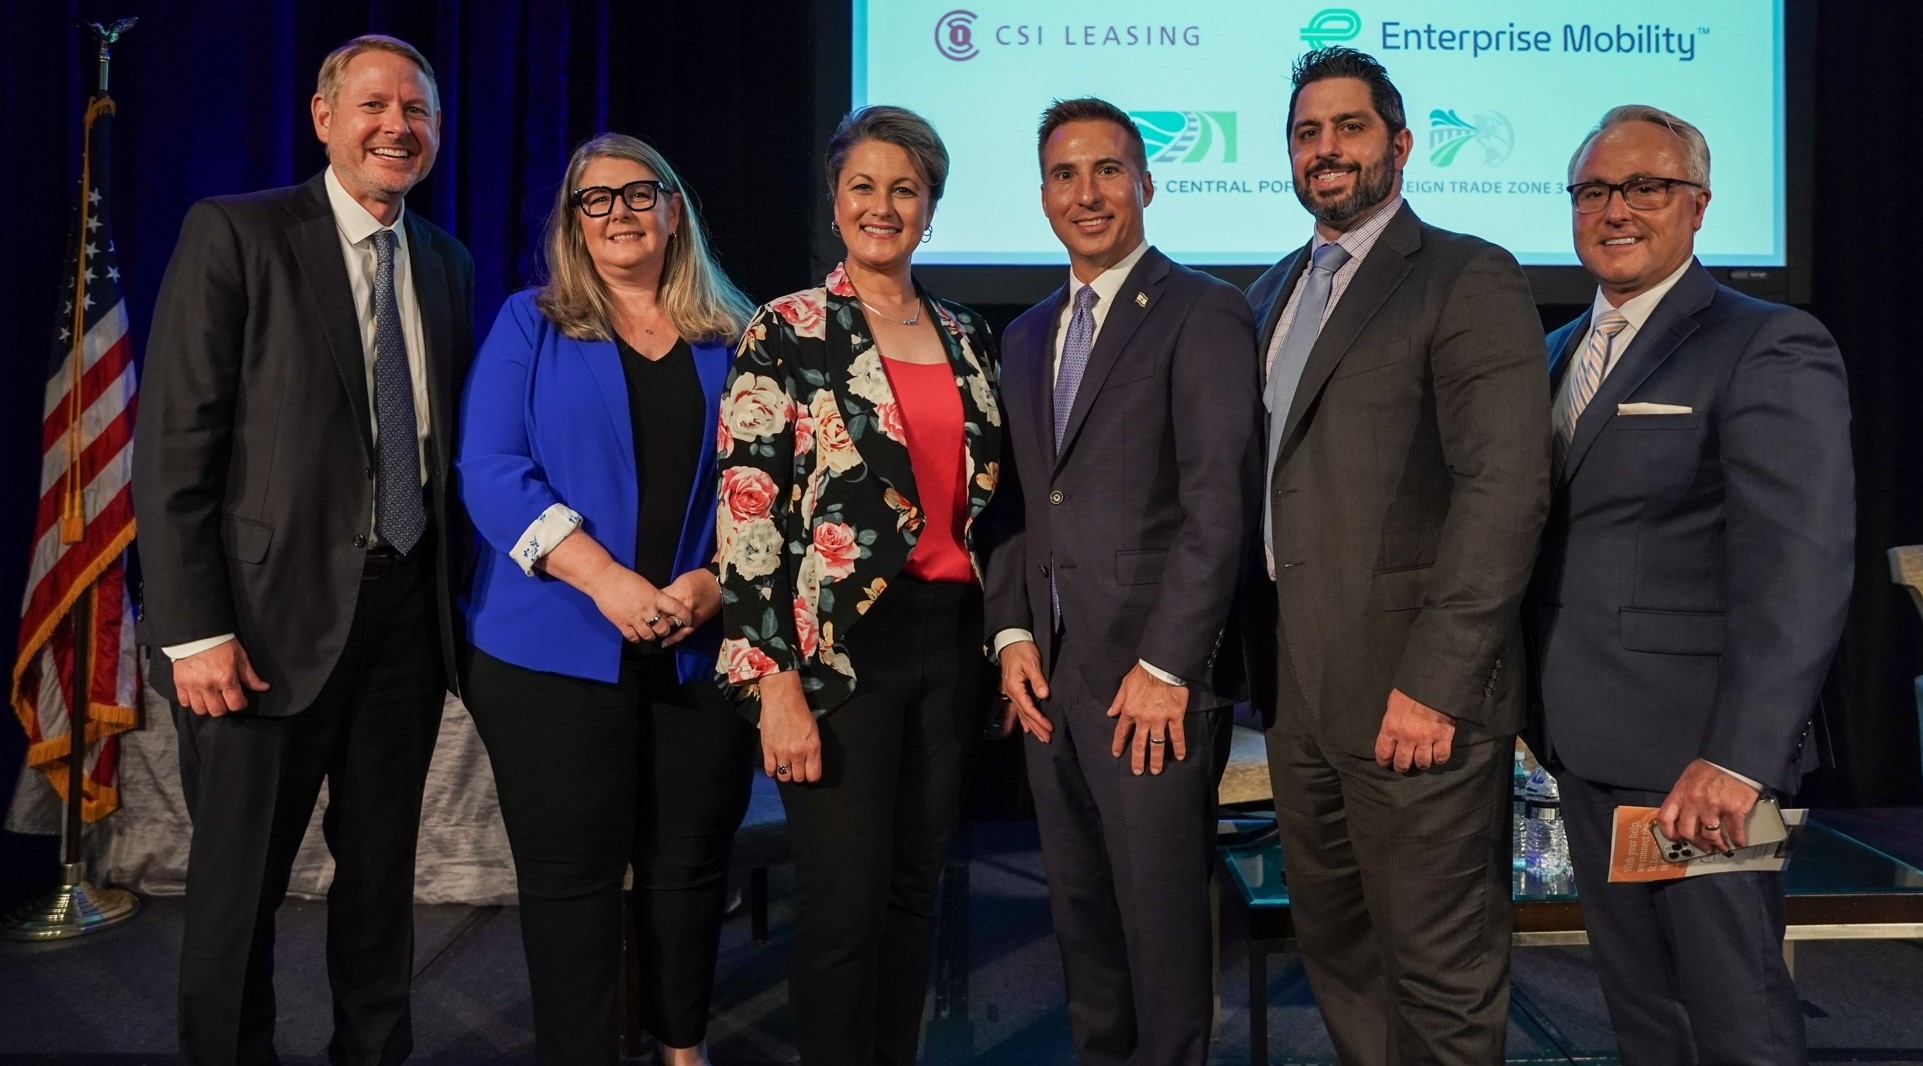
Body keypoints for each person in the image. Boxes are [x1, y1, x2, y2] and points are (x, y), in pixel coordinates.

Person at [131, 35, 474, 1065]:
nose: (396, 127)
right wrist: (195, 632)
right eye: (373, 105)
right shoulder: (238, 234)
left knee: (381, 890)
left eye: (416, 111)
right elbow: (175, 441)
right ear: (324, 118)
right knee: (238, 896)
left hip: (404, 624)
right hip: (257, 633)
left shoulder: (447, 263)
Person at [1241, 47, 1549, 1065]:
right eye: (1306, 132)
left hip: (1413, 699)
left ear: (1401, 144)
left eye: (1350, 127)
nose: (1326, 150)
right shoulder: (1269, 293)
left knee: (1441, 973)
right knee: (1339, 951)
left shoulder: (1467, 275)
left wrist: (1437, 682)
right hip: (1297, 696)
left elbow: (1503, 490)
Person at [1531, 105, 1853, 1066]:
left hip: (1699, 764)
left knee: (1732, 1009)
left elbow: (1799, 564)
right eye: (1594, 191)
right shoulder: (1552, 355)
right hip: (1581, 748)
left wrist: (1740, 756)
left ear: (1698, 206)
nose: (1616, 209)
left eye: (1645, 187)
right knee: (1645, 1014)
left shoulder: (1765, 342)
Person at [456, 133, 757, 1066]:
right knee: (571, 879)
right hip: (551, 648)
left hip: (698, 644)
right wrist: (609, 582)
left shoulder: (740, 333)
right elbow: (492, 471)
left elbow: (773, 485)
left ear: (675, 210)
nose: (620, 213)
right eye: (597, 200)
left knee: (686, 866)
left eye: (640, 194)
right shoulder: (529, 324)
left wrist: (710, 584)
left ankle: (680, 1048)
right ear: (572, 224)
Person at [715, 104, 1003, 1065]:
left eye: (905, 189)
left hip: (947, 641)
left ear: (931, 206)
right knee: (840, 909)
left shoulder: (967, 335)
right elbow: (748, 518)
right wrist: (774, 684)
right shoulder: (788, 329)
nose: (883, 206)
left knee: (915, 890)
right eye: (863, 187)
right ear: (835, 203)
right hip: (836, 654)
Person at [983, 96, 1258, 1066]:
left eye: (1107, 170)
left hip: (1153, 684)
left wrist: (1171, 664)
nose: (1086, 192)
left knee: (1161, 926)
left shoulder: (1204, 310)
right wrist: (1013, 636)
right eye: (1066, 174)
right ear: (1044, 193)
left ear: (1147, 181)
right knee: (1081, 921)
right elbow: (1021, 508)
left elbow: (1217, 504)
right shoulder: (1023, 335)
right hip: (1054, 683)